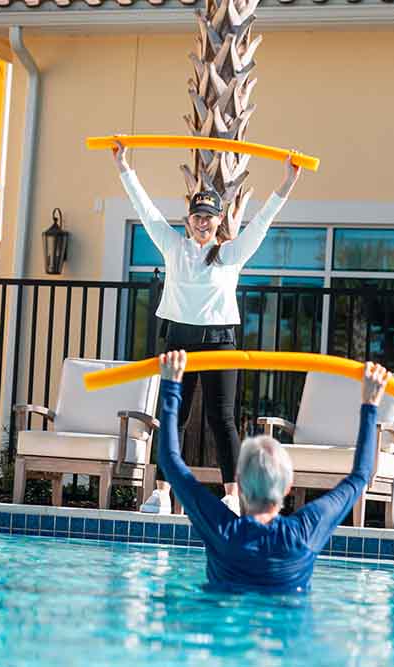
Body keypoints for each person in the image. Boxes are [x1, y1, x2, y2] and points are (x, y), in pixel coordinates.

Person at [112, 140, 301, 515]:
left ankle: (231, 495)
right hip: (179, 341)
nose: (202, 222)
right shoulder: (173, 247)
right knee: (173, 417)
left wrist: (288, 181)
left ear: (219, 222)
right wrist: (123, 165)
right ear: (188, 221)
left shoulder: (230, 255)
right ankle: (162, 494)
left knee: (222, 419)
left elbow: (263, 222)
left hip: (219, 342)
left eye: (209, 217)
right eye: (196, 216)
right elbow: (144, 209)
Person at [155, 350, 391, 593]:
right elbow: (361, 475)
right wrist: (370, 404)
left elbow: (171, 462)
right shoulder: (305, 531)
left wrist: (172, 385)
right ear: (288, 486)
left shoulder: (223, 530)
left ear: (240, 483)